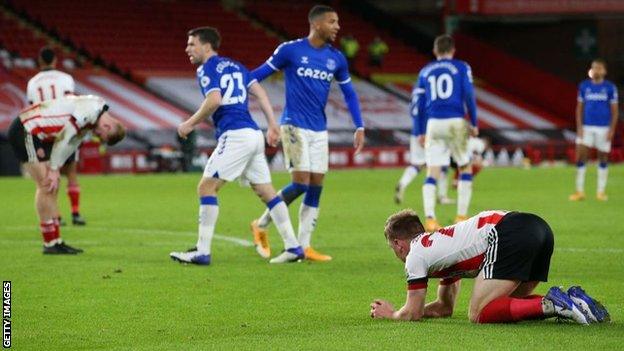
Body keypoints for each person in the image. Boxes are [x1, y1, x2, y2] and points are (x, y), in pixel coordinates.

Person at [169, 26, 304, 265]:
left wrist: (189, 124)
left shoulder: (207, 68)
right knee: (266, 192)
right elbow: (260, 93)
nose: (187, 48)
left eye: (192, 44)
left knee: (206, 188)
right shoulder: (237, 66)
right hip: (253, 134)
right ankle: (293, 246)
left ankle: (202, 251)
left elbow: (214, 100)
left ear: (207, 46)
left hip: (235, 135)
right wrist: (272, 125)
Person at [248, 5, 365, 262]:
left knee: (316, 186)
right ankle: (262, 223)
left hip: (319, 130)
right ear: (317, 24)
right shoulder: (290, 50)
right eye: (333, 22)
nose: (337, 26)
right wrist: (237, 83)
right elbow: (258, 74)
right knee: (301, 182)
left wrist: (359, 125)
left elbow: (349, 93)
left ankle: (304, 246)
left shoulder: (337, 58)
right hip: (293, 125)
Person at [370, 209, 611, 324]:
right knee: (506, 304)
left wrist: (392, 314)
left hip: (508, 233)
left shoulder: (416, 254)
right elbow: (445, 307)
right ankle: (574, 301)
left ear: (399, 244)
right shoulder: (440, 248)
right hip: (538, 228)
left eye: (393, 248)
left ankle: (552, 304)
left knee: (478, 314)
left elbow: (412, 313)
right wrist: (418, 310)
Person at [7, 95, 126, 254]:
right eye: (100, 135)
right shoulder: (91, 111)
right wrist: (55, 168)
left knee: (53, 185)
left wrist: (57, 167)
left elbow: (73, 144)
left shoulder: (95, 114)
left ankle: (56, 240)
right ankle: (49, 243)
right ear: (107, 127)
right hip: (26, 129)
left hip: (38, 134)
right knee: (45, 185)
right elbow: (64, 137)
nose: (97, 136)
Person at [414, 34, 477, 231]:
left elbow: (418, 103)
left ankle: (431, 218)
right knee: (465, 166)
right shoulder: (462, 67)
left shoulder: (425, 71)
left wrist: (419, 130)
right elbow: (468, 94)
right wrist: (473, 122)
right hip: (455, 120)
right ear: (453, 50)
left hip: (433, 122)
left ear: (435, 51)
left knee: (432, 170)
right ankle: (461, 216)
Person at [26, 46, 87, 226]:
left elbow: (32, 108)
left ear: (40, 61)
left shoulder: (33, 82)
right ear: (54, 60)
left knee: (51, 175)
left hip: (43, 132)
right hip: (64, 130)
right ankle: (76, 213)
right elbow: (71, 101)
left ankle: (56, 215)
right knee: (72, 173)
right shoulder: (65, 78)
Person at [569, 59, 618, 201]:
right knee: (581, 156)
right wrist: (579, 127)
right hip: (586, 127)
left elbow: (614, 111)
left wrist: (611, 129)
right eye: (594, 68)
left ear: (604, 71)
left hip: (604, 128)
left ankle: (600, 192)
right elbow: (579, 108)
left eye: (599, 68)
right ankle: (579, 191)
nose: (596, 70)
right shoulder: (584, 86)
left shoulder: (610, 88)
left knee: (603, 157)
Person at [394, 84, 426, 204]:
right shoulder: (427, 94)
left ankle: (403, 183)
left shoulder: (415, 94)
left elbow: (413, 113)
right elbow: (423, 113)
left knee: (417, 164)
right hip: (427, 132)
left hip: (415, 131)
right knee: (439, 164)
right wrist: (423, 133)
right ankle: (440, 196)